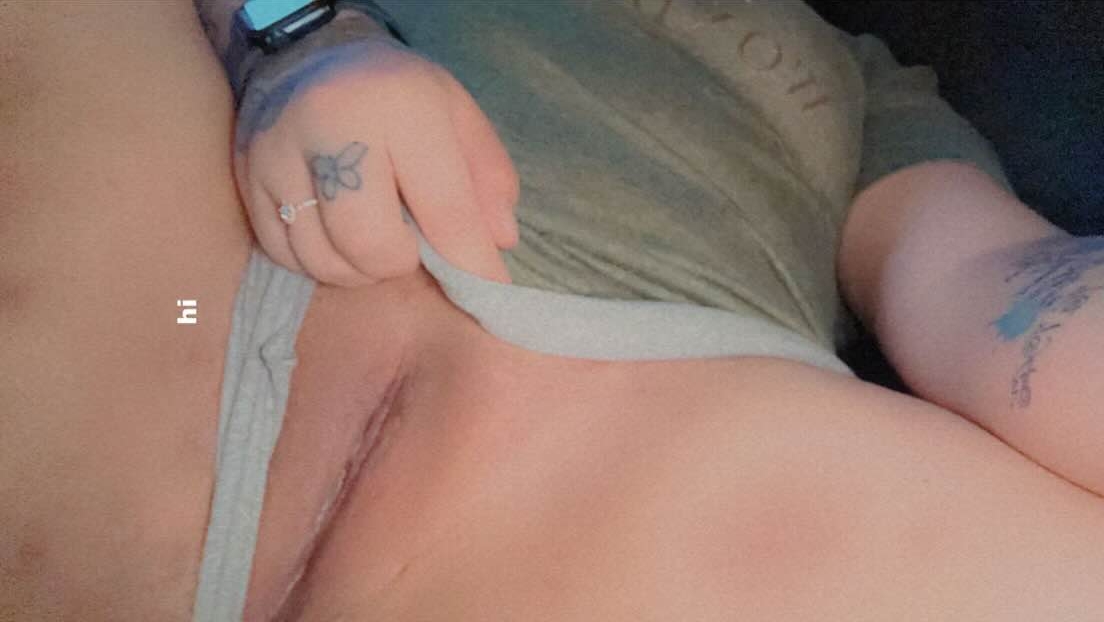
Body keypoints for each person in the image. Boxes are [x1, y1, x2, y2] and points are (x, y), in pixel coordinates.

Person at [1, 1, 1102, 620]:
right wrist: (299, 35)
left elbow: (987, 281)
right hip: (174, 292)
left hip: (620, 457)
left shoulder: (859, 82)